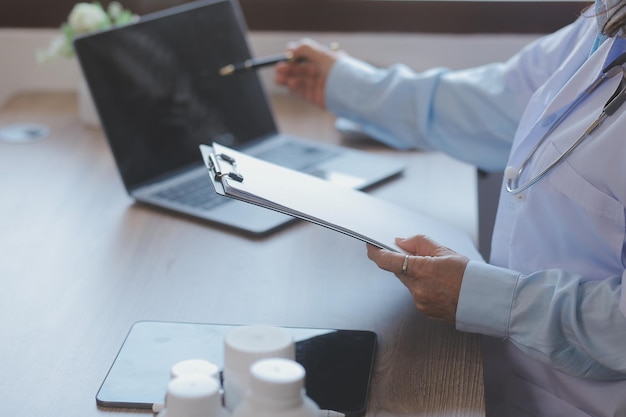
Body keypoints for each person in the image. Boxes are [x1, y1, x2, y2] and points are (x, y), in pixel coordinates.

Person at [275, 1, 626, 416]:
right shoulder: (608, 19)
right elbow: (504, 100)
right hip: (503, 372)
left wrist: (489, 299)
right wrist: (352, 85)